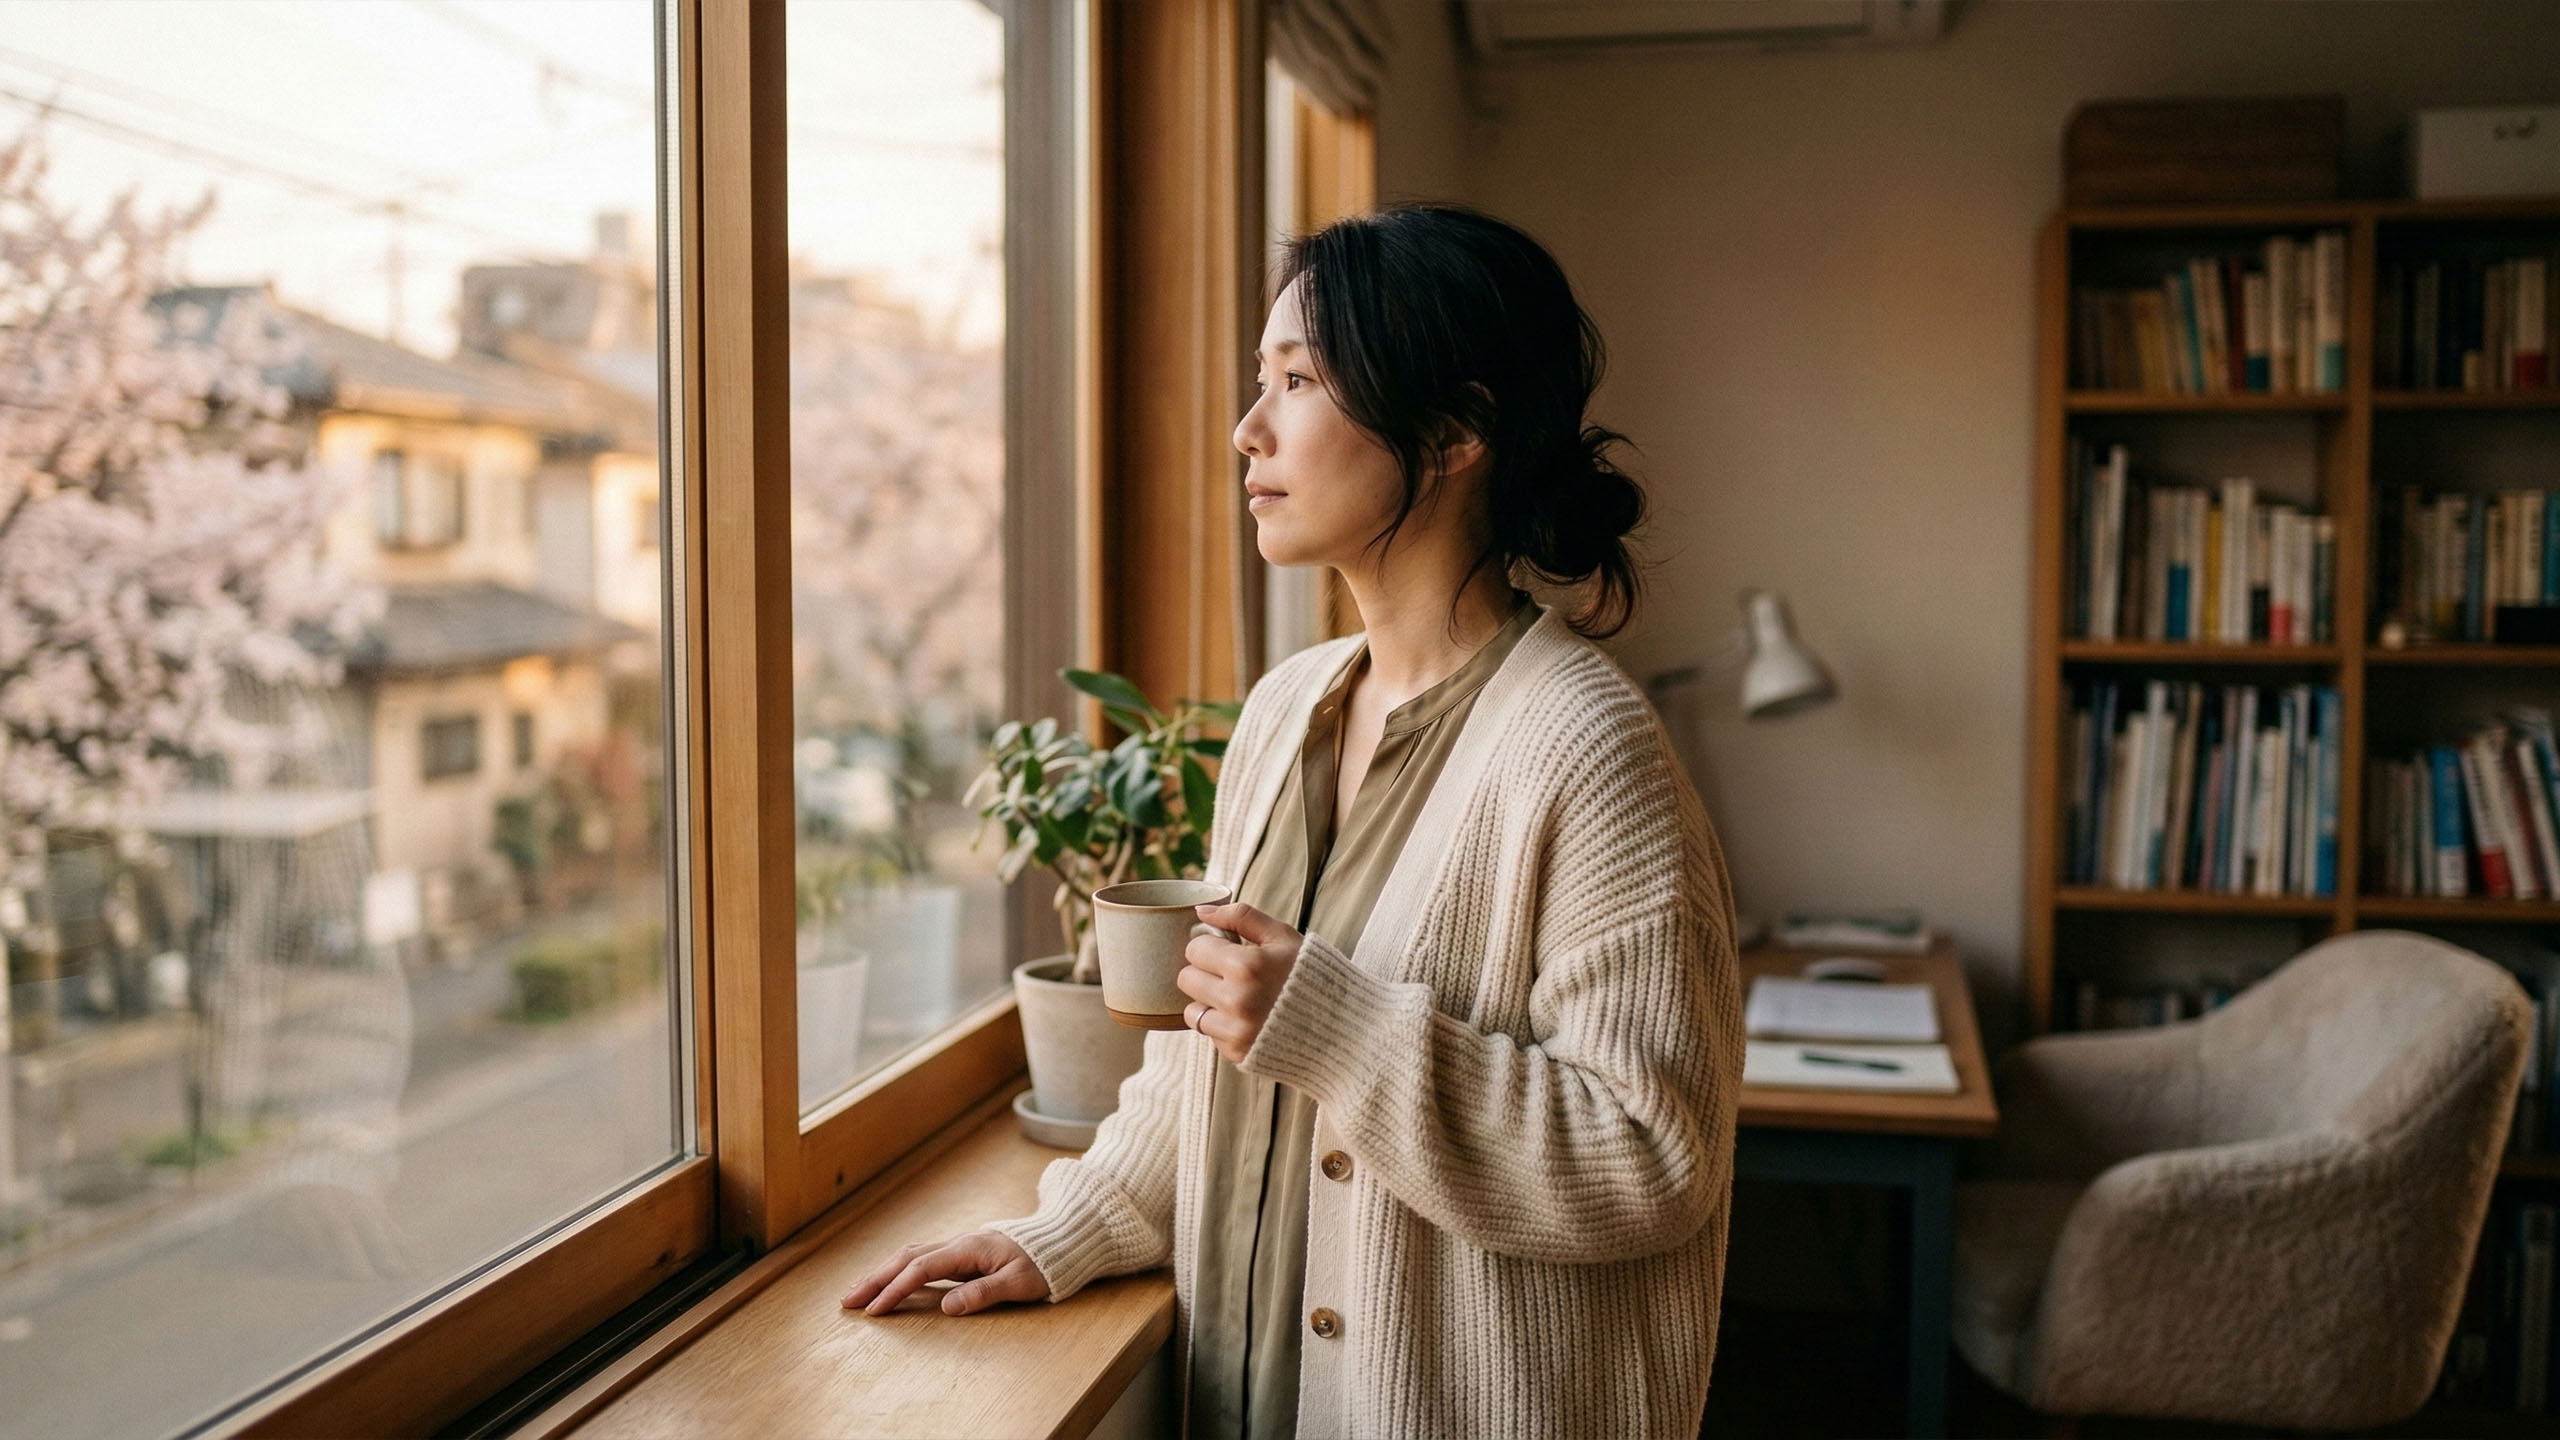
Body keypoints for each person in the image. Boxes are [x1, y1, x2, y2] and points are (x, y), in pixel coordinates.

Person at [843, 202, 1742, 1440]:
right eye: (1258, 379)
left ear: (1455, 430)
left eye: (1299, 380)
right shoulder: (1284, 711)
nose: (1244, 429)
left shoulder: (1589, 754)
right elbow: (1210, 1041)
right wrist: (1068, 1229)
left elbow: (1650, 1163)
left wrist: (1332, 1027)